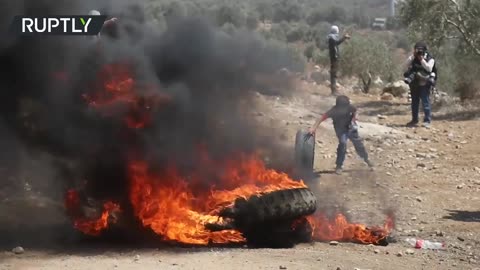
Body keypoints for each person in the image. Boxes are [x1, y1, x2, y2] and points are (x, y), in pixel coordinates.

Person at [308, 95, 373, 175]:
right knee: (342, 144)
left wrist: (354, 118)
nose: (346, 107)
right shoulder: (333, 111)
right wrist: (314, 128)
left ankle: (367, 160)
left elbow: (354, 111)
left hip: (350, 128)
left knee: (359, 145)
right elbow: (322, 118)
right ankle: (339, 166)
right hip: (341, 130)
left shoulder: (349, 107)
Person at [403, 41, 435, 128]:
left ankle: (427, 120)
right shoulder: (413, 57)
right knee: (414, 102)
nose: (419, 52)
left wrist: (422, 60)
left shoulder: (430, 58)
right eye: (417, 50)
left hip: (424, 83)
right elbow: (405, 65)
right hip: (414, 84)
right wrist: (413, 56)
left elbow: (429, 69)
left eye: (420, 50)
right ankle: (414, 119)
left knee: (425, 102)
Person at [327, 25, 350, 96]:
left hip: (334, 58)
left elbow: (337, 42)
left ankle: (334, 91)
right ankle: (333, 91)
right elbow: (337, 42)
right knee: (333, 74)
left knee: (334, 74)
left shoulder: (332, 37)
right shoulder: (331, 38)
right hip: (334, 58)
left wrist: (344, 38)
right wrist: (344, 38)